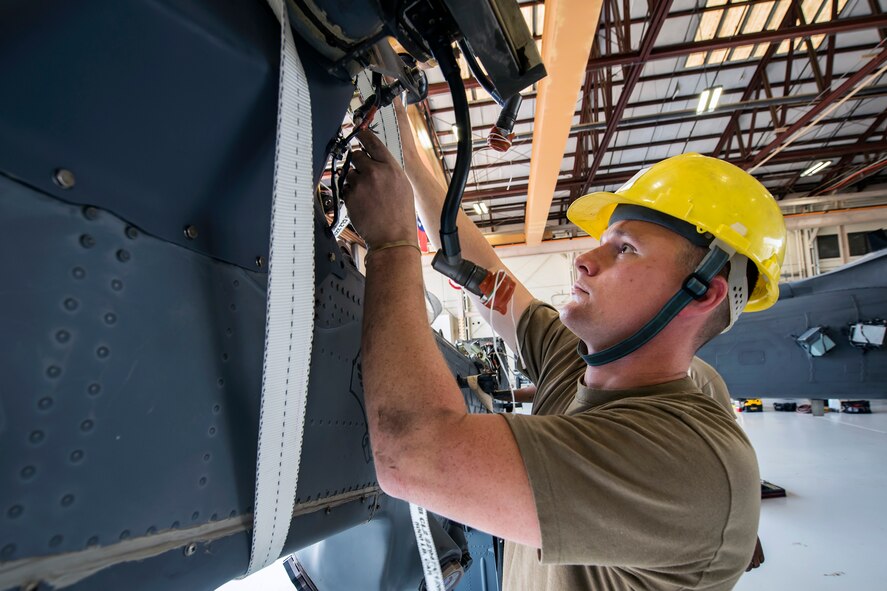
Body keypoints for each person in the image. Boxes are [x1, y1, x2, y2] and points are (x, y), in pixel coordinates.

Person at [340, 100, 786, 590]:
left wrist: (392, 244)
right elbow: (491, 280)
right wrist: (405, 150)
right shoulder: (577, 363)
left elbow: (412, 452)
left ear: (704, 292)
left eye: (625, 249)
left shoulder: (688, 465)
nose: (584, 260)